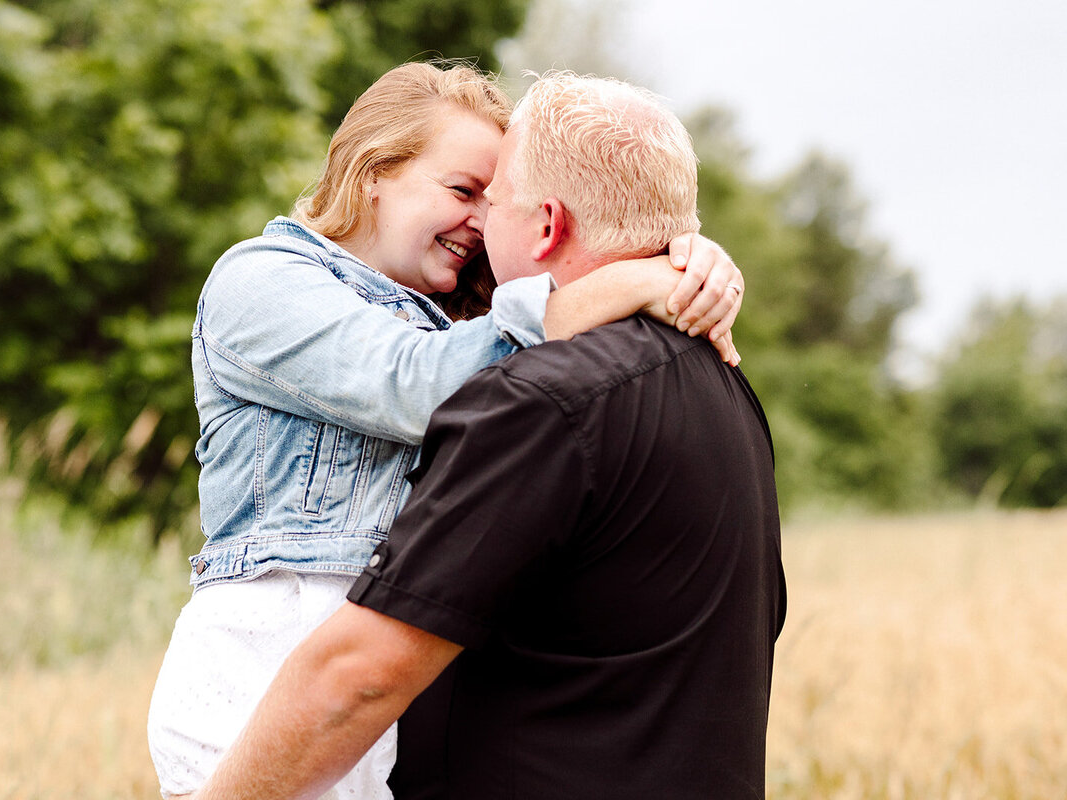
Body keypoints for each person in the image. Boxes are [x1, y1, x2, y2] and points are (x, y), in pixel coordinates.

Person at [147, 62, 746, 800]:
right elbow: (413, 382)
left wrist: (686, 258)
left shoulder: (469, 309)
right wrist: (626, 283)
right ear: (374, 173)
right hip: (269, 654)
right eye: (463, 191)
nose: (480, 220)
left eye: (493, 202)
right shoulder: (261, 281)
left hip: (385, 667)